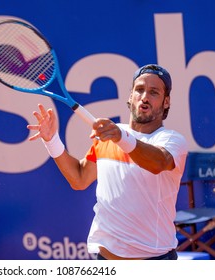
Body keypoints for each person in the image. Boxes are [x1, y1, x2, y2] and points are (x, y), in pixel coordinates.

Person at [27, 64, 188, 260]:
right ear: (130, 97)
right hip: (104, 259)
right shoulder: (110, 137)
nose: (144, 97)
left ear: (166, 102)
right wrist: (52, 140)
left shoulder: (172, 141)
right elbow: (79, 179)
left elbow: (157, 163)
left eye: (154, 92)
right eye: (139, 90)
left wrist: (121, 137)